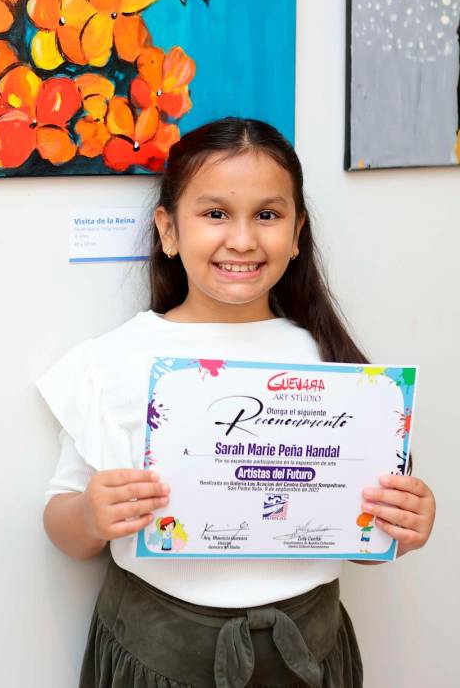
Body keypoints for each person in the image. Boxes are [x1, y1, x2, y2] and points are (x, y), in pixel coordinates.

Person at [37, 118, 436, 688]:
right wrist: (88, 515)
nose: (243, 240)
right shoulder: (113, 362)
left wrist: (402, 525)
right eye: (215, 213)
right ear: (169, 230)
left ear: (297, 233)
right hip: (158, 652)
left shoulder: (337, 368)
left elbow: (359, 538)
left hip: (309, 651)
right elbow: (63, 524)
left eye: (267, 215)